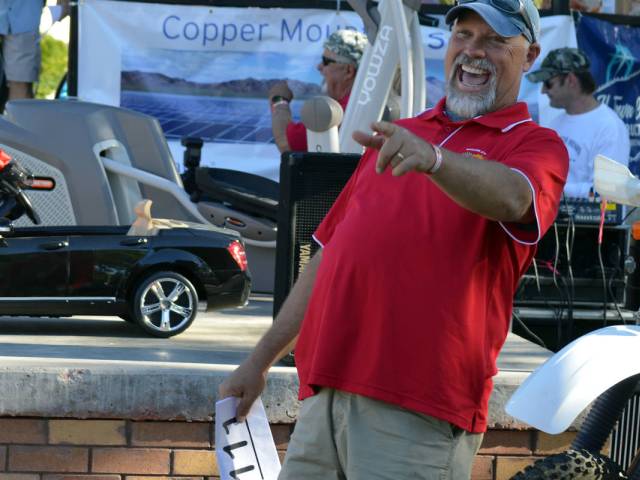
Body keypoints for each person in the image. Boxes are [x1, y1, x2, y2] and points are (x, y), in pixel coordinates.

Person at [220, 0, 568, 478]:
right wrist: (258, 362)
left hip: (419, 406)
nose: (473, 51)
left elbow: (513, 198)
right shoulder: (401, 134)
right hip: (325, 398)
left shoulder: (534, 145)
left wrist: (435, 161)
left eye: (494, 40)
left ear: (529, 56)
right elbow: (329, 257)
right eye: (463, 36)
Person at [528, 47, 630, 198]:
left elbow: (606, 191)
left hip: (588, 222)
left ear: (571, 80)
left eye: (548, 83)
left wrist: (550, 189)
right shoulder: (554, 125)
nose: (543, 91)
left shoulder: (609, 127)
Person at [268, 29, 368, 153]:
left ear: (348, 71)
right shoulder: (365, 102)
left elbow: (285, 144)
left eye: (326, 61)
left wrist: (279, 100)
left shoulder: (343, 111)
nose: (319, 67)